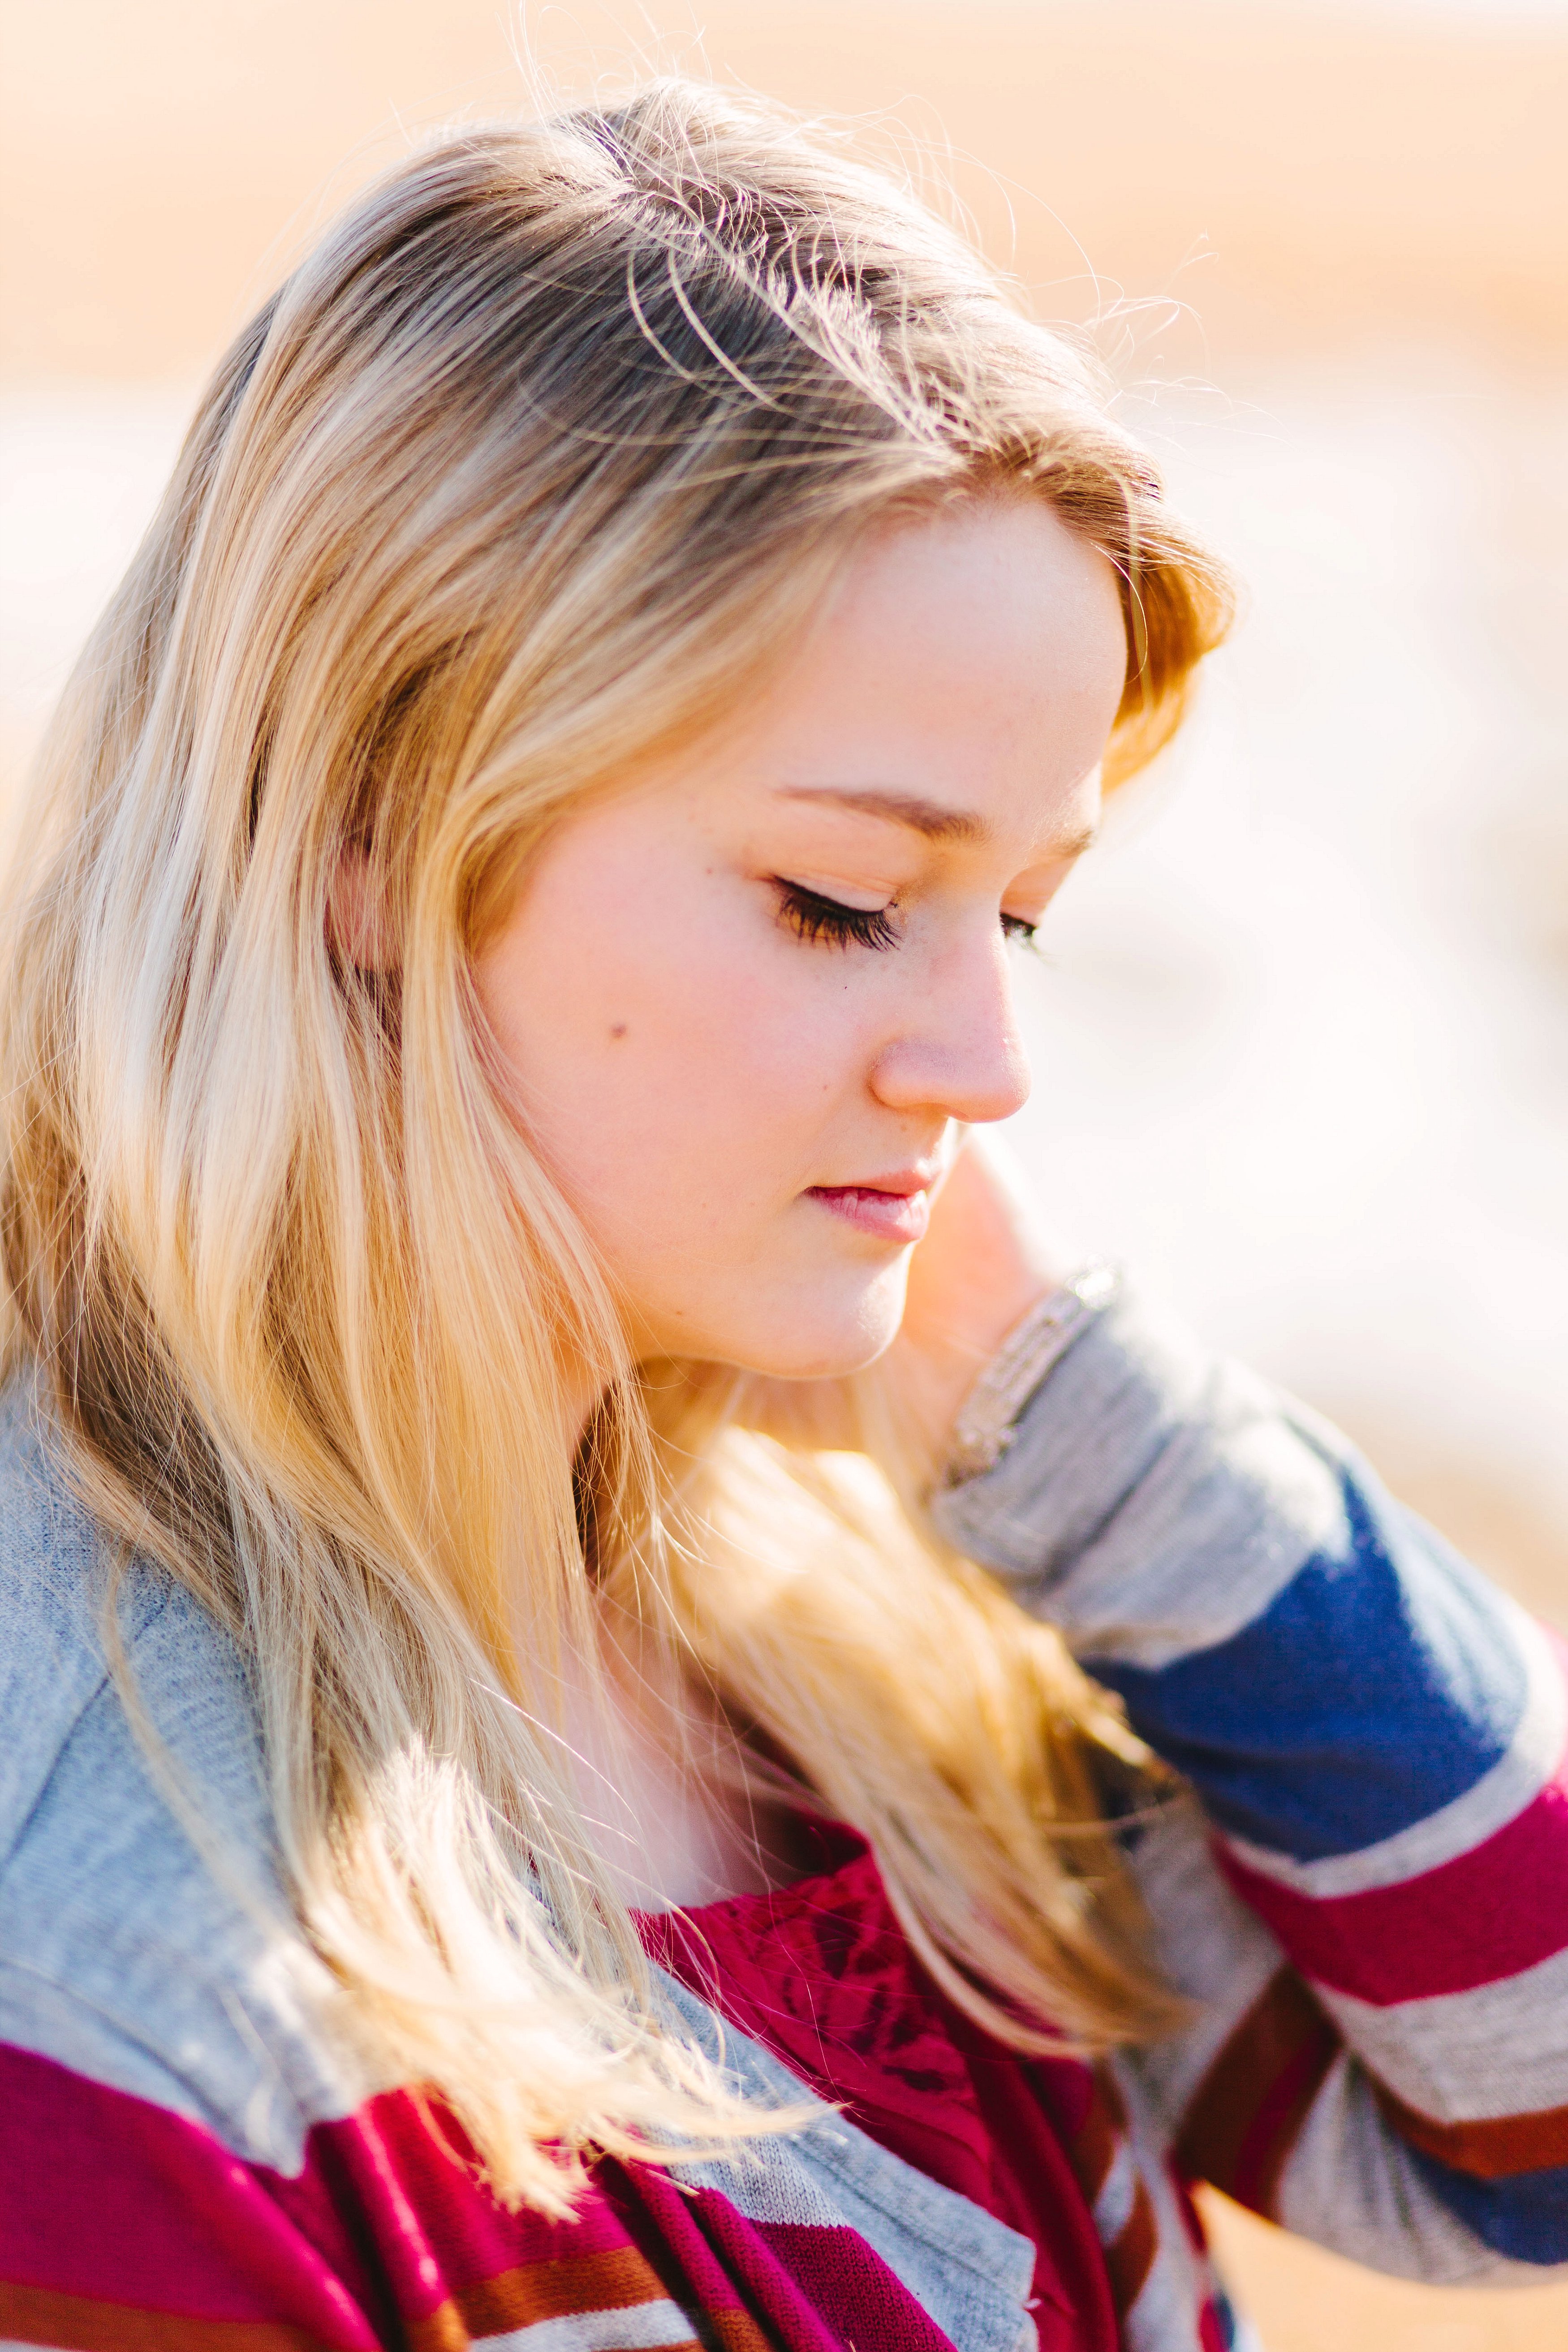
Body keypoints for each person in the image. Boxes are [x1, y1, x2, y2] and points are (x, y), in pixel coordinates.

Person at [0, 80, 1564, 2352]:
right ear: (360, 828)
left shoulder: (857, 1662)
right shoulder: (116, 1995)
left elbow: (1525, 2116)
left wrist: (1064, 1403)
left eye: (1011, 917)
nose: (984, 1060)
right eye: (842, 902)